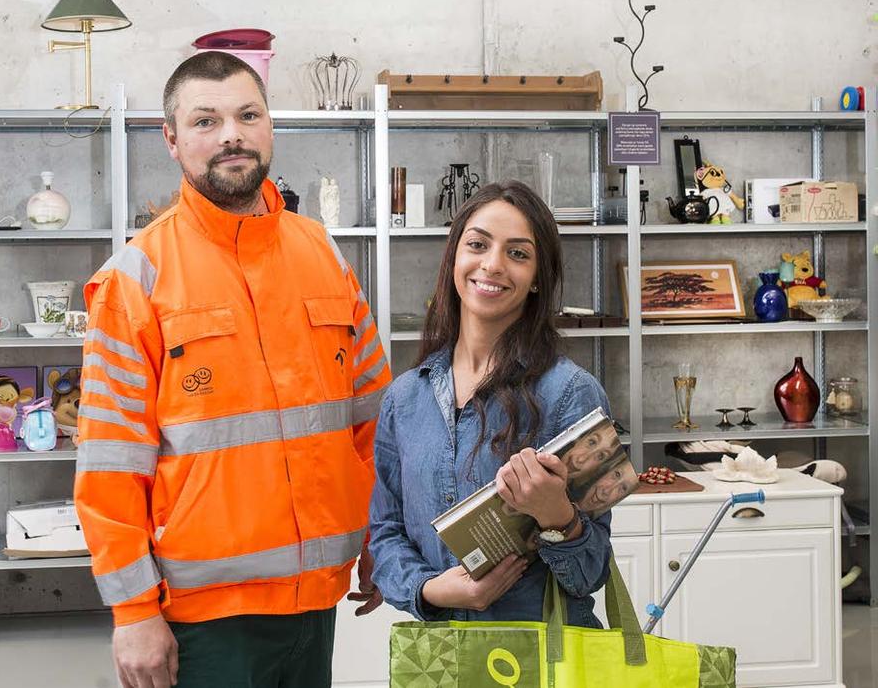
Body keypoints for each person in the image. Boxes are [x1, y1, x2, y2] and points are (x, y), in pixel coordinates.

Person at [74, 51, 391, 688]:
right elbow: (110, 464)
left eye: (248, 114)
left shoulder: (321, 252)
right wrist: (133, 613)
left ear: (270, 124)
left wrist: (380, 540)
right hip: (203, 619)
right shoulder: (137, 279)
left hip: (318, 600)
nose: (231, 135)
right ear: (171, 139)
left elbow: (373, 422)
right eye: (205, 120)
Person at [369, 181, 613, 626]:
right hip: (442, 662)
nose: (493, 265)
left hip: (545, 660)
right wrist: (432, 589)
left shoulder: (573, 393)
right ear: (454, 258)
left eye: (518, 253)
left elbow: (592, 573)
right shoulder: (404, 398)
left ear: (538, 277)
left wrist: (556, 514)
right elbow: (385, 534)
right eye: (478, 245)